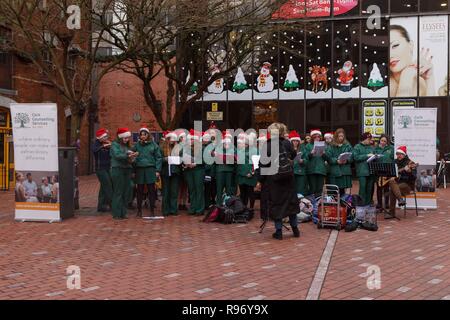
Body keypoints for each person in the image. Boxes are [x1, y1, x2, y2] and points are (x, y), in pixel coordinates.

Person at [256, 122, 300, 240]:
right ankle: (295, 230)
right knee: (291, 204)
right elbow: (294, 155)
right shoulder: (287, 143)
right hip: (288, 178)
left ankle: (279, 232)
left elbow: (263, 164)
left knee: (277, 205)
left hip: (274, 179)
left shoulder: (268, 145)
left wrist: (260, 180)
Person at [390, 25, 435, 97]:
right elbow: (400, 108)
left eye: (395, 45)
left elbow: (433, 108)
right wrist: (407, 75)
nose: (390, 54)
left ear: (410, 45)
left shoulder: (421, 82)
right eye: (385, 50)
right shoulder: (383, 85)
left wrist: (429, 79)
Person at [132, 125, 162, 217]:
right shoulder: (136, 145)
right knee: (139, 190)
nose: (143, 136)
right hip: (140, 169)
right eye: (141, 135)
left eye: (144, 134)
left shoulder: (154, 145)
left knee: (151, 190)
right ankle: (139, 210)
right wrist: (134, 162)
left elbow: (158, 157)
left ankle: (152, 210)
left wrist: (157, 170)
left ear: (148, 135)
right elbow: (132, 156)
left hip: (150, 169)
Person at [110, 127, 138, 220]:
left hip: (127, 170)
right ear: (120, 137)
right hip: (117, 169)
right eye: (125, 138)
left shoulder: (127, 146)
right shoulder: (114, 144)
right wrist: (128, 155)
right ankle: (117, 213)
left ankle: (123, 212)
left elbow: (129, 159)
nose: (126, 140)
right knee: (118, 191)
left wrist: (133, 157)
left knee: (126, 191)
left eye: (127, 138)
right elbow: (117, 155)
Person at [386, 146, 417, 219]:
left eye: (400, 154)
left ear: (404, 154)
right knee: (392, 181)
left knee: (392, 190)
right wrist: (392, 175)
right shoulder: (394, 162)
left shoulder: (410, 163)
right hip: (396, 184)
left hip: (407, 185)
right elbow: (388, 172)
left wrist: (409, 172)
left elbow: (414, 177)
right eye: (397, 154)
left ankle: (391, 213)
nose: (399, 156)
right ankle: (400, 199)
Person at [182, 130, 205, 215]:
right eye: (190, 139)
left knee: (199, 189)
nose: (191, 141)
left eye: (192, 139)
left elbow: (205, 159)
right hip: (189, 170)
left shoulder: (201, 148)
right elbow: (182, 157)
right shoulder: (186, 148)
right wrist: (186, 163)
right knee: (191, 190)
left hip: (198, 170)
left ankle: (199, 209)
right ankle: (193, 208)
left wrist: (195, 163)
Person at [326, 128, 353, 195]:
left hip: (344, 170)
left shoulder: (348, 145)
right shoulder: (331, 146)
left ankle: (342, 204)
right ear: (336, 136)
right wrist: (336, 161)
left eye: (342, 136)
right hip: (335, 171)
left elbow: (352, 157)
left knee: (342, 190)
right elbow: (328, 157)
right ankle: (334, 204)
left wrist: (346, 161)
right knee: (333, 190)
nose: (341, 138)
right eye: (339, 136)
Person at [91, 128, 113, 212]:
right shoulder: (96, 144)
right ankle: (112, 204)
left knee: (103, 187)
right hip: (100, 169)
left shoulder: (107, 144)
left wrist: (110, 145)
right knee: (108, 186)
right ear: (100, 137)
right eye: (105, 137)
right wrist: (103, 146)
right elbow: (94, 150)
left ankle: (101, 206)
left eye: (106, 137)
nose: (106, 138)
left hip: (107, 168)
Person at [160, 131, 181, 216]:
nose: (172, 141)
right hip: (165, 172)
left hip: (175, 172)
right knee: (166, 191)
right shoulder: (162, 148)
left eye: (174, 140)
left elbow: (182, 157)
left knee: (174, 191)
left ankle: (173, 209)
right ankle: (165, 210)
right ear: (167, 139)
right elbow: (158, 158)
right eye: (171, 140)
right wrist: (165, 159)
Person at [353, 132, 376, 206]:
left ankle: (368, 204)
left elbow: (373, 156)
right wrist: (367, 155)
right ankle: (361, 205)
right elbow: (355, 157)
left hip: (370, 171)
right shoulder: (357, 147)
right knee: (362, 188)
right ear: (364, 139)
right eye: (369, 139)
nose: (370, 141)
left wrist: (375, 156)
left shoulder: (371, 147)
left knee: (369, 189)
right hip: (362, 171)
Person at [374, 134, 394, 211]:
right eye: (382, 140)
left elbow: (393, 159)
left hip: (387, 171)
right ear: (379, 140)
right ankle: (379, 204)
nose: (383, 142)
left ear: (387, 142)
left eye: (385, 141)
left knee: (386, 188)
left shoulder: (391, 148)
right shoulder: (376, 148)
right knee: (379, 188)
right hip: (378, 171)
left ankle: (386, 204)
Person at [215, 131, 236, 205]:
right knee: (219, 188)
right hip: (220, 170)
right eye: (225, 143)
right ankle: (218, 205)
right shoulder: (218, 148)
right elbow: (215, 159)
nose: (226, 144)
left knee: (229, 189)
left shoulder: (233, 148)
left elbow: (237, 158)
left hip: (229, 170)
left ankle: (228, 205)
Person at [236, 133, 257, 209]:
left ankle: (251, 208)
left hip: (250, 176)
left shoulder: (254, 150)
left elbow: (256, 163)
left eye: (244, 143)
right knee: (242, 194)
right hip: (241, 176)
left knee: (250, 193)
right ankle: (243, 208)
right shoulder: (239, 151)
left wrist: (252, 173)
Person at [305, 129, 327, 197]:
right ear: (312, 138)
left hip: (321, 169)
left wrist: (324, 154)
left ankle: (318, 204)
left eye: (318, 137)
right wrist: (311, 153)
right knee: (312, 188)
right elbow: (305, 157)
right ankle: (312, 204)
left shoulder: (324, 145)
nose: (317, 138)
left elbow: (328, 158)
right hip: (311, 170)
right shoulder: (308, 145)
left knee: (320, 189)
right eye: (315, 137)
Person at [289, 130, 308, 196]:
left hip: (301, 172)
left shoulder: (302, 149)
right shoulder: (289, 149)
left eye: (297, 141)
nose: (295, 142)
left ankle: (301, 203)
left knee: (300, 190)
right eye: (294, 141)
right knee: (291, 189)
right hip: (291, 172)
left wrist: (302, 161)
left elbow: (306, 160)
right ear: (291, 141)